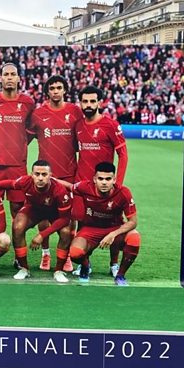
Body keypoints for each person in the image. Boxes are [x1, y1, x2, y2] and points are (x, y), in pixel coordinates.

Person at [28, 75, 83, 272]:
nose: (56, 91)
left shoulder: (75, 111)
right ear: (47, 92)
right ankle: (45, 254)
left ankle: (65, 255)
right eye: (52, 88)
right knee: (43, 217)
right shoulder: (38, 114)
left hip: (69, 173)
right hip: (45, 176)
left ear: (65, 90)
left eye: (59, 87)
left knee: (69, 217)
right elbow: (24, 139)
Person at [75, 85, 129, 274]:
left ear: (99, 102)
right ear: (80, 103)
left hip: (106, 187)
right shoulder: (78, 125)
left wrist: (118, 184)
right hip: (84, 186)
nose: (88, 105)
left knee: (114, 223)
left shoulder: (110, 125)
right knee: (82, 223)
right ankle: (84, 264)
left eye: (92, 101)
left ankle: (114, 264)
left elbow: (123, 155)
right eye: (85, 101)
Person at [0, 160, 72, 282]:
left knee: (66, 232)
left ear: (50, 175)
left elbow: (65, 219)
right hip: (33, 210)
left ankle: (58, 271)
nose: (40, 178)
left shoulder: (59, 191)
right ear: (32, 174)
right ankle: (24, 268)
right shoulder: (26, 181)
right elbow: (11, 184)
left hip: (54, 213)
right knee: (17, 227)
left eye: (44, 174)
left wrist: (41, 235)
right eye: (37, 174)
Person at [67, 162, 140, 286]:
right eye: (100, 179)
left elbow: (133, 222)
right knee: (75, 253)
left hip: (115, 228)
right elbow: (69, 186)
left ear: (114, 180)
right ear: (94, 179)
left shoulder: (123, 192)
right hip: (90, 229)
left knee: (134, 237)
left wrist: (113, 234)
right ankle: (85, 266)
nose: (104, 182)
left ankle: (120, 276)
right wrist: (50, 179)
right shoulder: (85, 187)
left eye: (108, 179)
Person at [0, 63, 34, 219]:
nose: (9, 77)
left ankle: (16, 236)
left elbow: (31, 130)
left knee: (18, 207)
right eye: (6, 74)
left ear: (18, 78)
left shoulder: (28, 103)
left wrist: (19, 144)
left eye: (13, 74)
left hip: (17, 163)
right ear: (0, 78)